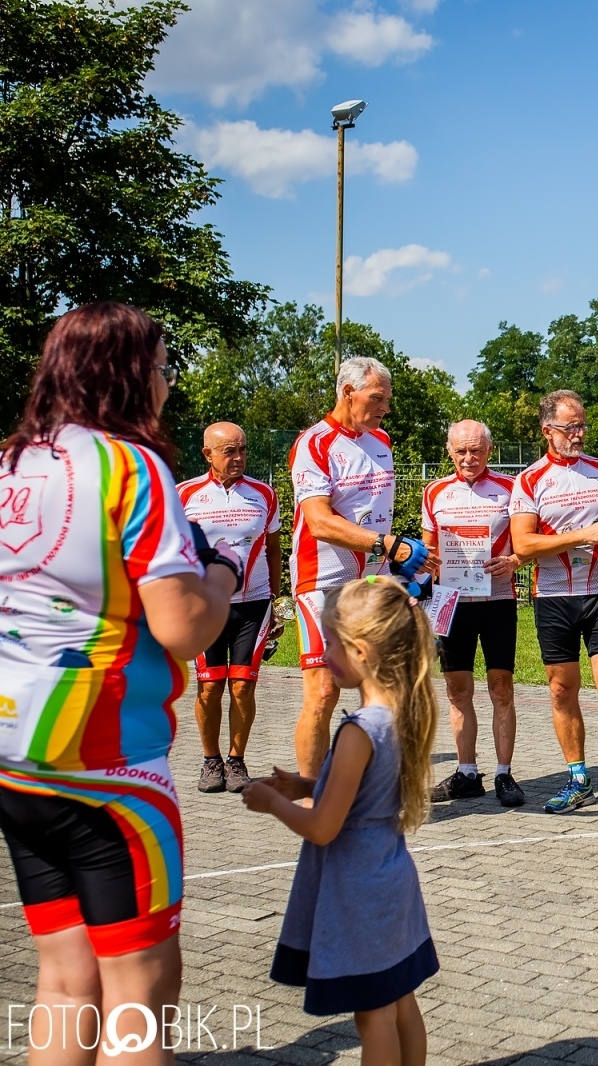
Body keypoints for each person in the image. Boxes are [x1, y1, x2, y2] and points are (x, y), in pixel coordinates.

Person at [0, 302, 237, 1063]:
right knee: (138, 995)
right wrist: (222, 576)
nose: (166, 384)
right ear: (128, 372)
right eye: (163, 367)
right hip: (108, 765)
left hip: (14, 753)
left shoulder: (12, 462)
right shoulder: (130, 466)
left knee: (65, 984)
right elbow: (183, 627)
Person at [244, 576, 438, 1063]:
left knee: (372, 1016)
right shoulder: (401, 712)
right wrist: (307, 786)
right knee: (400, 1000)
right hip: (390, 878)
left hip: (358, 888)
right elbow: (365, 793)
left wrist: (274, 804)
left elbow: (323, 827)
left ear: (361, 651)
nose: (323, 653)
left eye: (330, 642)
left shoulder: (358, 730)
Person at [510, 390, 598, 816]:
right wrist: (582, 535)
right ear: (547, 431)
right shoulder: (530, 480)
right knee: (561, 690)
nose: (580, 433)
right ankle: (577, 778)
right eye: (571, 427)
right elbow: (523, 543)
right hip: (553, 598)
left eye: (582, 424)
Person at [288, 357, 432, 778]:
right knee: (323, 691)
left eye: (387, 399)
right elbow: (318, 521)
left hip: (372, 579)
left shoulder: (381, 440)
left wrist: (399, 562)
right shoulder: (313, 443)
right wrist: (386, 543)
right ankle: (313, 795)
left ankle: (374, 782)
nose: (385, 407)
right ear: (348, 393)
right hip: (322, 580)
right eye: (377, 398)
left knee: (388, 680)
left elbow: (375, 516)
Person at [422, 420, 525, 807]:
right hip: (450, 601)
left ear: (489, 450)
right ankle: (467, 771)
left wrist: (514, 560)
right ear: (450, 451)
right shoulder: (435, 491)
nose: (469, 458)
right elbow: (428, 548)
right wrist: (427, 563)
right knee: (457, 690)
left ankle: (503, 773)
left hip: (496, 600)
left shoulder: (511, 489)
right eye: (461, 451)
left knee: (501, 688)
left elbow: (526, 541)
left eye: (476, 450)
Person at [178, 422, 282, 794]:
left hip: (253, 605)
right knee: (209, 689)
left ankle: (236, 761)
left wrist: (278, 601)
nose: (238, 458)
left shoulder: (264, 494)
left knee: (242, 686)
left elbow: (272, 550)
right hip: (205, 607)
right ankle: (211, 761)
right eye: (229, 451)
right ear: (208, 454)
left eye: (242, 450)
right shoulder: (184, 494)